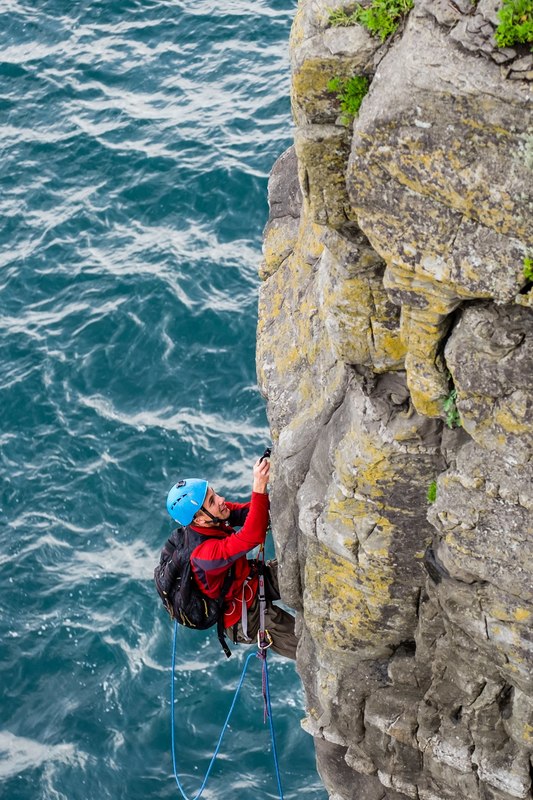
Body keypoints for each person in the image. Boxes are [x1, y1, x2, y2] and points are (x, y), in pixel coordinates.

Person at [165, 457, 297, 660]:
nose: (220, 499)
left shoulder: (212, 519)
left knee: (303, 570)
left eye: (214, 494)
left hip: (252, 580)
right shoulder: (204, 555)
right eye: (212, 501)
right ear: (199, 519)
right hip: (245, 616)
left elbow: (249, 513)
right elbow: (251, 536)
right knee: (307, 647)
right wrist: (259, 485)